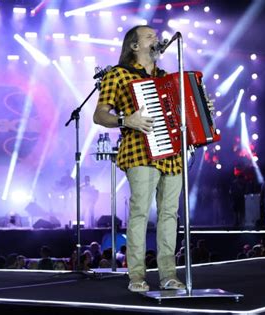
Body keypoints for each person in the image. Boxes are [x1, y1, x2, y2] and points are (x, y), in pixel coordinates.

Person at [93, 25, 186, 292]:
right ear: (134, 46)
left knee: (170, 215)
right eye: (149, 37)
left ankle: (169, 274)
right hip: (139, 150)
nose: (156, 39)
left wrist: (199, 107)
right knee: (140, 214)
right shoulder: (117, 75)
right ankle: (136, 276)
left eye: (157, 37)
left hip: (171, 153)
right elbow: (100, 115)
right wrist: (126, 119)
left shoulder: (167, 77)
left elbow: (181, 114)